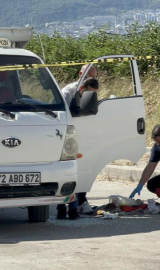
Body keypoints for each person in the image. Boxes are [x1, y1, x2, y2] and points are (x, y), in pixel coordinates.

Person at [57, 76, 99, 220]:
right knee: (67, 173)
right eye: (89, 93)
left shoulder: (82, 92)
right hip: (64, 137)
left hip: (76, 136)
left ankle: (70, 208)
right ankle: (64, 208)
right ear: (82, 89)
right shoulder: (67, 93)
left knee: (74, 173)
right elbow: (63, 116)